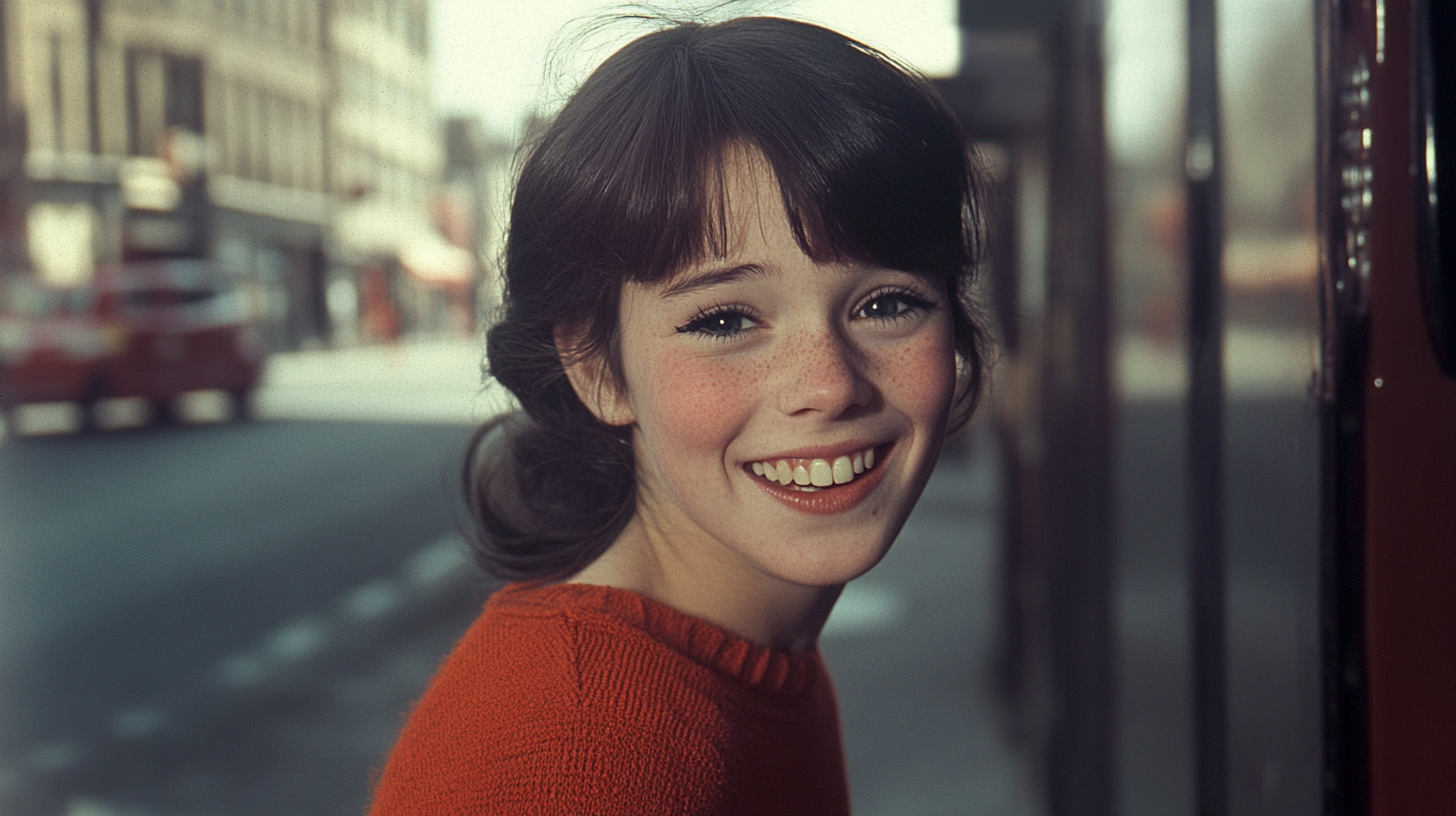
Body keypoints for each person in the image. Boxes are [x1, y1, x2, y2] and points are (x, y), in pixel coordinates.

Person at [367, 15, 990, 815]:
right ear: (597, 368)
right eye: (726, 320)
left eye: (888, 303)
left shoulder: (750, 657)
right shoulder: (576, 765)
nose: (829, 385)